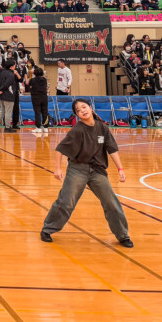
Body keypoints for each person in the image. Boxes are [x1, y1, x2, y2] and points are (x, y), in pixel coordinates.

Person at [41, 98, 132, 248]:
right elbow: (60, 149)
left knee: (111, 202)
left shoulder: (102, 127)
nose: (82, 110)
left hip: (97, 171)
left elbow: (112, 149)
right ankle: (48, 229)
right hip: (78, 169)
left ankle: (123, 235)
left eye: (84, 107)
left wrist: (120, 169)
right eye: (78, 110)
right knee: (66, 201)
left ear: (90, 107)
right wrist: (57, 169)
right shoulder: (77, 130)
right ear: (77, 115)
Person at [29, 66, 49, 134]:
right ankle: (46, 127)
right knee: (45, 111)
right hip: (44, 97)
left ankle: (38, 128)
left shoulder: (33, 80)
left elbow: (29, 85)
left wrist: (30, 74)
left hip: (36, 97)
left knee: (37, 112)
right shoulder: (44, 79)